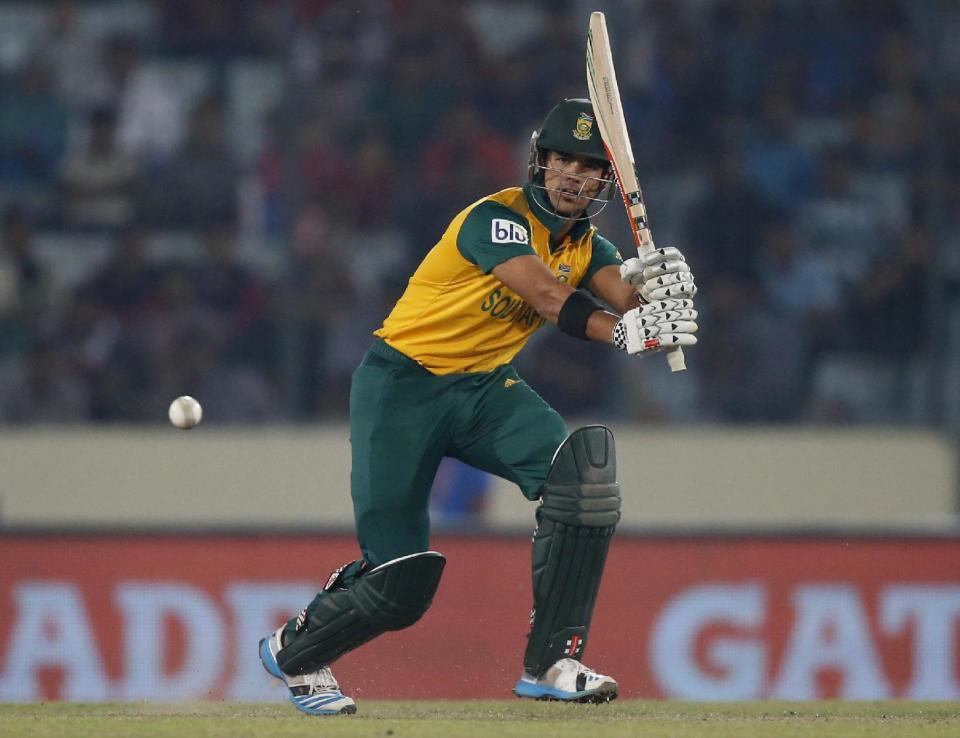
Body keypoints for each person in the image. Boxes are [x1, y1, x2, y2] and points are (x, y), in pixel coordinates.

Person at [259, 99, 699, 715]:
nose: (574, 174)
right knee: (400, 583)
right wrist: (626, 330)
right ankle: (296, 653)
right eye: (563, 160)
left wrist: (661, 289)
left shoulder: (589, 245)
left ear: (605, 180)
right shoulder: (494, 220)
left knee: (585, 475)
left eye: (590, 165)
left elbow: (625, 300)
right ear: (540, 163)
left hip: (483, 389)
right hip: (401, 386)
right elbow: (548, 297)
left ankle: (552, 661)